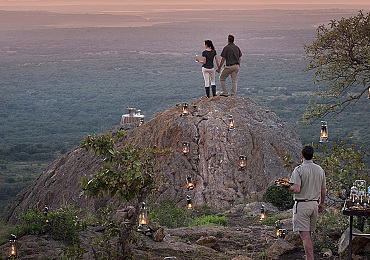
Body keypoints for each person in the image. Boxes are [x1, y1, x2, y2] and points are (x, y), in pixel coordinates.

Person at [286, 145, 326, 260]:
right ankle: (310, 256)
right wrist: (321, 204)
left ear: (302, 156)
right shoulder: (320, 169)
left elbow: (297, 189)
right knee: (309, 235)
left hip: (303, 205)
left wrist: (286, 186)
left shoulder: (299, 170)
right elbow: (323, 189)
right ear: (312, 156)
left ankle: (310, 258)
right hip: (314, 204)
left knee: (305, 236)